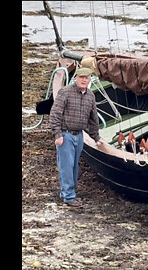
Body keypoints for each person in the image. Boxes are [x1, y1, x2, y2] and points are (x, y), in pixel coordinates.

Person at [50, 67, 103, 207]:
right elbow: (55, 114)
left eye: (86, 78)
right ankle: (69, 197)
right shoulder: (65, 92)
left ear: (90, 79)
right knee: (66, 167)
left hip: (79, 135)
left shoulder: (91, 96)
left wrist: (96, 137)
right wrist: (57, 134)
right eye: (81, 77)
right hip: (66, 135)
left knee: (74, 167)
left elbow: (93, 119)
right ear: (76, 78)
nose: (84, 80)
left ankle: (67, 193)